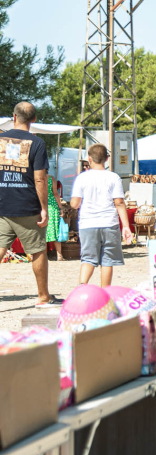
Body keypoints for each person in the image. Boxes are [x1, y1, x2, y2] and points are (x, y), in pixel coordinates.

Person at [0, 102, 58, 306]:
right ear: (33, 120)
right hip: (27, 205)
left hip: (2, 204)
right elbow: (40, 179)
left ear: (13, 117)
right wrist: (44, 208)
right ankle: (43, 297)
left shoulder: (0, 139)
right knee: (37, 250)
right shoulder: (38, 143)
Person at [70, 143, 133, 287]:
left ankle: (82, 288)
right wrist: (126, 227)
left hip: (88, 224)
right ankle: (105, 294)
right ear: (107, 158)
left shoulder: (82, 178)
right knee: (107, 261)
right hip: (109, 223)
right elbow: (119, 203)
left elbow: (74, 204)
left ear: (89, 159)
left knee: (88, 259)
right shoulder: (114, 177)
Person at [45, 178, 63, 255]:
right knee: (56, 230)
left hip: (40, 204)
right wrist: (60, 207)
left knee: (41, 231)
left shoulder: (36, 177)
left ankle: (42, 256)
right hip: (52, 205)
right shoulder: (51, 178)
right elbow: (55, 193)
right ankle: (59, 255)